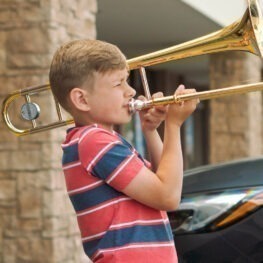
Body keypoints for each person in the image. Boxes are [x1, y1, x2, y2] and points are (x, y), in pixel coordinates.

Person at [49, 39, 198, 263]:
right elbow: (168, 197)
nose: (131, 91)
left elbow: (162, 184)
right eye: (118, 84)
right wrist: (174, 126)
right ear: (81, 99)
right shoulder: (94, 142)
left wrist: (150, 130)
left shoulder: (100, 140)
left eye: (127, 81)